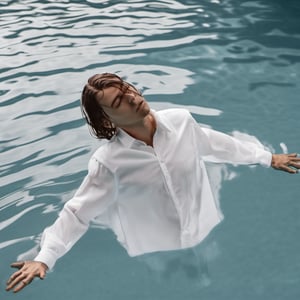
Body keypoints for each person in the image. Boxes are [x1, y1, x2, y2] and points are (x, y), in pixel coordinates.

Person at [6, 73, 300, 293]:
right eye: (119, 101)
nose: (133, 97)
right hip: (158, 256)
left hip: (205, 231)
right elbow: (77, 212)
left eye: (127, 89)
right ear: (108, 119)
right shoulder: (109, 162)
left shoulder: (182, 121)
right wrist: (44, 259)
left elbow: (216, 145)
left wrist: (267, 158)